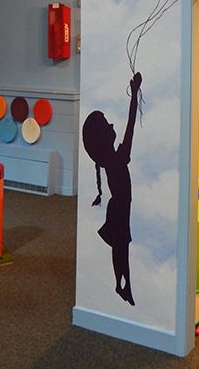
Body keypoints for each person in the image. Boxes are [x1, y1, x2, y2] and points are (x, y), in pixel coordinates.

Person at [82, 72, 142, 306]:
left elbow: (128, 125)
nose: (112, 124)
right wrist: (134, 94)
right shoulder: (116, 159)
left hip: (118, 207)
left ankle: (122, 285)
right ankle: (122, 285)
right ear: (105, 136)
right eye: (108, 124)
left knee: (120, 247)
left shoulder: (110, 159)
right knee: (121, 246)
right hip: (119, 208)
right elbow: (130, 124)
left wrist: (135, 92)